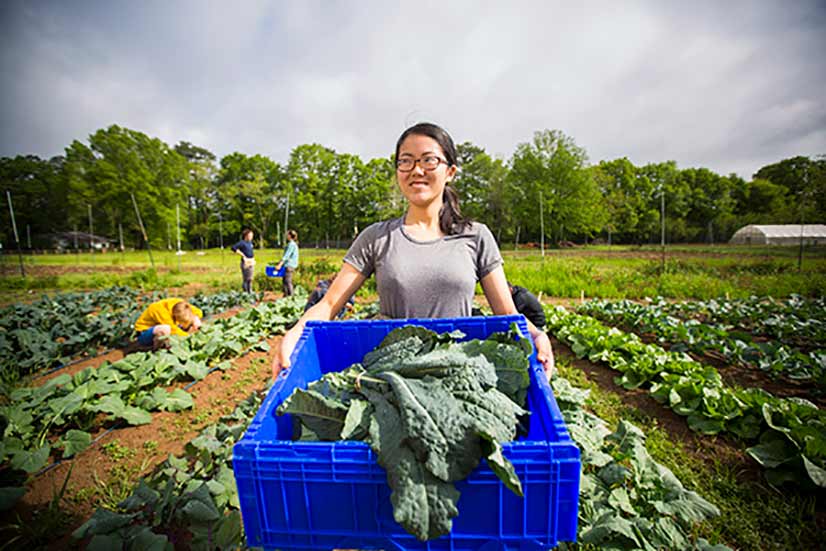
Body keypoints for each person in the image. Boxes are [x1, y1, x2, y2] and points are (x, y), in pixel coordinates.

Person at [271, 122, 554, 379]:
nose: (417, 170)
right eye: (406, 161)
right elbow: (331, 304)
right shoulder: (376, 237)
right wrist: (295, 332)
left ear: (450, 171)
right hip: (392, 375)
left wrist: (537, 335)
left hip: (460, 372)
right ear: (397, 172)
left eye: (429, 160)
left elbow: (505, 311)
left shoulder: (476, 236)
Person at [134, 298, 202, 349]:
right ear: (175, 316)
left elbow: (198, 311)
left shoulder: (180, 304)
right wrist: (190, 338)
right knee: (165, 329)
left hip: (167, 326)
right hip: (144, 334)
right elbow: (174, 331)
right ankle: (157, 350)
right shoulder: (161, 312)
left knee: (193, 325)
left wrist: (196, 319)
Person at [274, 229, 299, 297]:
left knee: (288, 281)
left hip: (289, 266)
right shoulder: (293, 244)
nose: (286, 235)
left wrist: (279, 264)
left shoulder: (291, 244)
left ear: (290, 236)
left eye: (287, 234)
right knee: (285, 281)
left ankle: (291, 296)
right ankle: (286, 296)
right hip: (290, 265)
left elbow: (286, 256)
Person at [231, 228, 255, 293]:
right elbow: (233, 248)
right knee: (246, 278)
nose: (251, 237)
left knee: (251, 278)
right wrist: (242, 254)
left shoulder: (250, 243)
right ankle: (246, 291)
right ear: (246, 236)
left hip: (251, 261)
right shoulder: (242, 243)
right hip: (246, 262)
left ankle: (250, 290)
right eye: (250, 235)